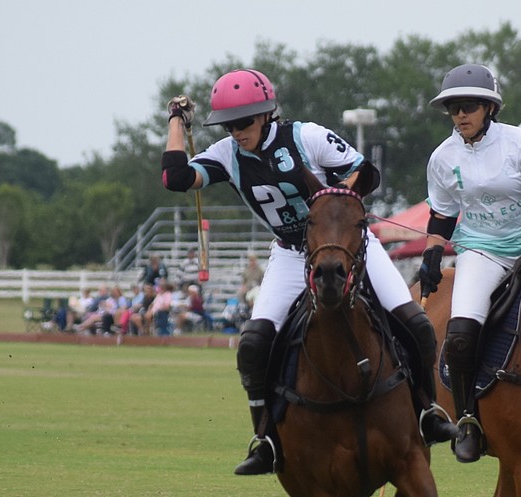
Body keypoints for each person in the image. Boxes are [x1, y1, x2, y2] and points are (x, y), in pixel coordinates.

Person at [162, 69, 457, 475]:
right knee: (254, 342)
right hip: (291, 254)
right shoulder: (227, 155)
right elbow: (175, 177)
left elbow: (366, 172)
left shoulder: (307, 137)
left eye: (244, 122)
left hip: (350, 247)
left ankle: (428, 410)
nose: (237, 132)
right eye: (229, 125)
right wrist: (177, 122)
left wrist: (332, 196)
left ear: (266, 114)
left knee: (417, 324)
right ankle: (265, 438)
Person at [420, 64, 521, 462]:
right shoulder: (442, 157)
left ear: (489, 107)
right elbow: (442, 216)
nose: (460, 115)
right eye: (453, 108)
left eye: (468, 106)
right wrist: (433, 253)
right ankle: (469, 420)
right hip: (481, 251)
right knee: (461, 334)